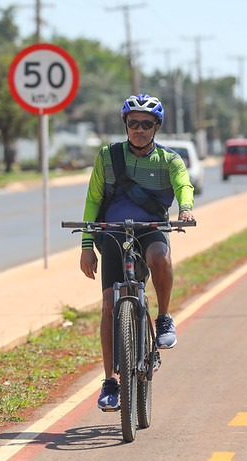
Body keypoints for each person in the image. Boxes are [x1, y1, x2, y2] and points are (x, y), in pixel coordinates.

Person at [78, 93, 196, 411]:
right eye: (133, 123)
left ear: (156, 127)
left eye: (146, 124)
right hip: (113, 234)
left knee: (160, 257)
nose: (139, 130)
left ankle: (164, 318)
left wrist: (185, 208)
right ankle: (110, 383)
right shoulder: (107, 157)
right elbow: (93, 199)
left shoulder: (170, 160)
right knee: (107, 306)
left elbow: (184, 184)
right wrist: (87, 246)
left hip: (151, 229)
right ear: (125, 125)